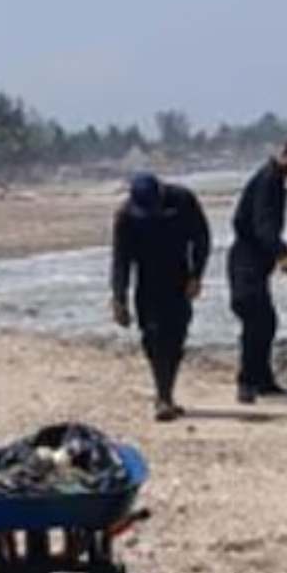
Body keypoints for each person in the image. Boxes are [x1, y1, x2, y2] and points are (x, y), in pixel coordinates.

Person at [110, 172, 211, 421]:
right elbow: (121, 260)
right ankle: (162, 397)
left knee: (176, 337)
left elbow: (201, 239)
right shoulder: (125, 215)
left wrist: (197, 275)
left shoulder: (183, 200)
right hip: (147, 281)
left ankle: (166, 393)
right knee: (153, 337)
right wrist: (119, 298)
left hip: (179, 277)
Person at [226, 135, 287, 403]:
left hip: (254, 261)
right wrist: (285, 256)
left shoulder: (274, 180)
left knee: (264, 322)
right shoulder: (269, 181)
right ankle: (247, 383)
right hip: (245, 261)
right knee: (256, 321)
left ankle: (262, 380)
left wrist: (278, 255)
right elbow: (262, 227)